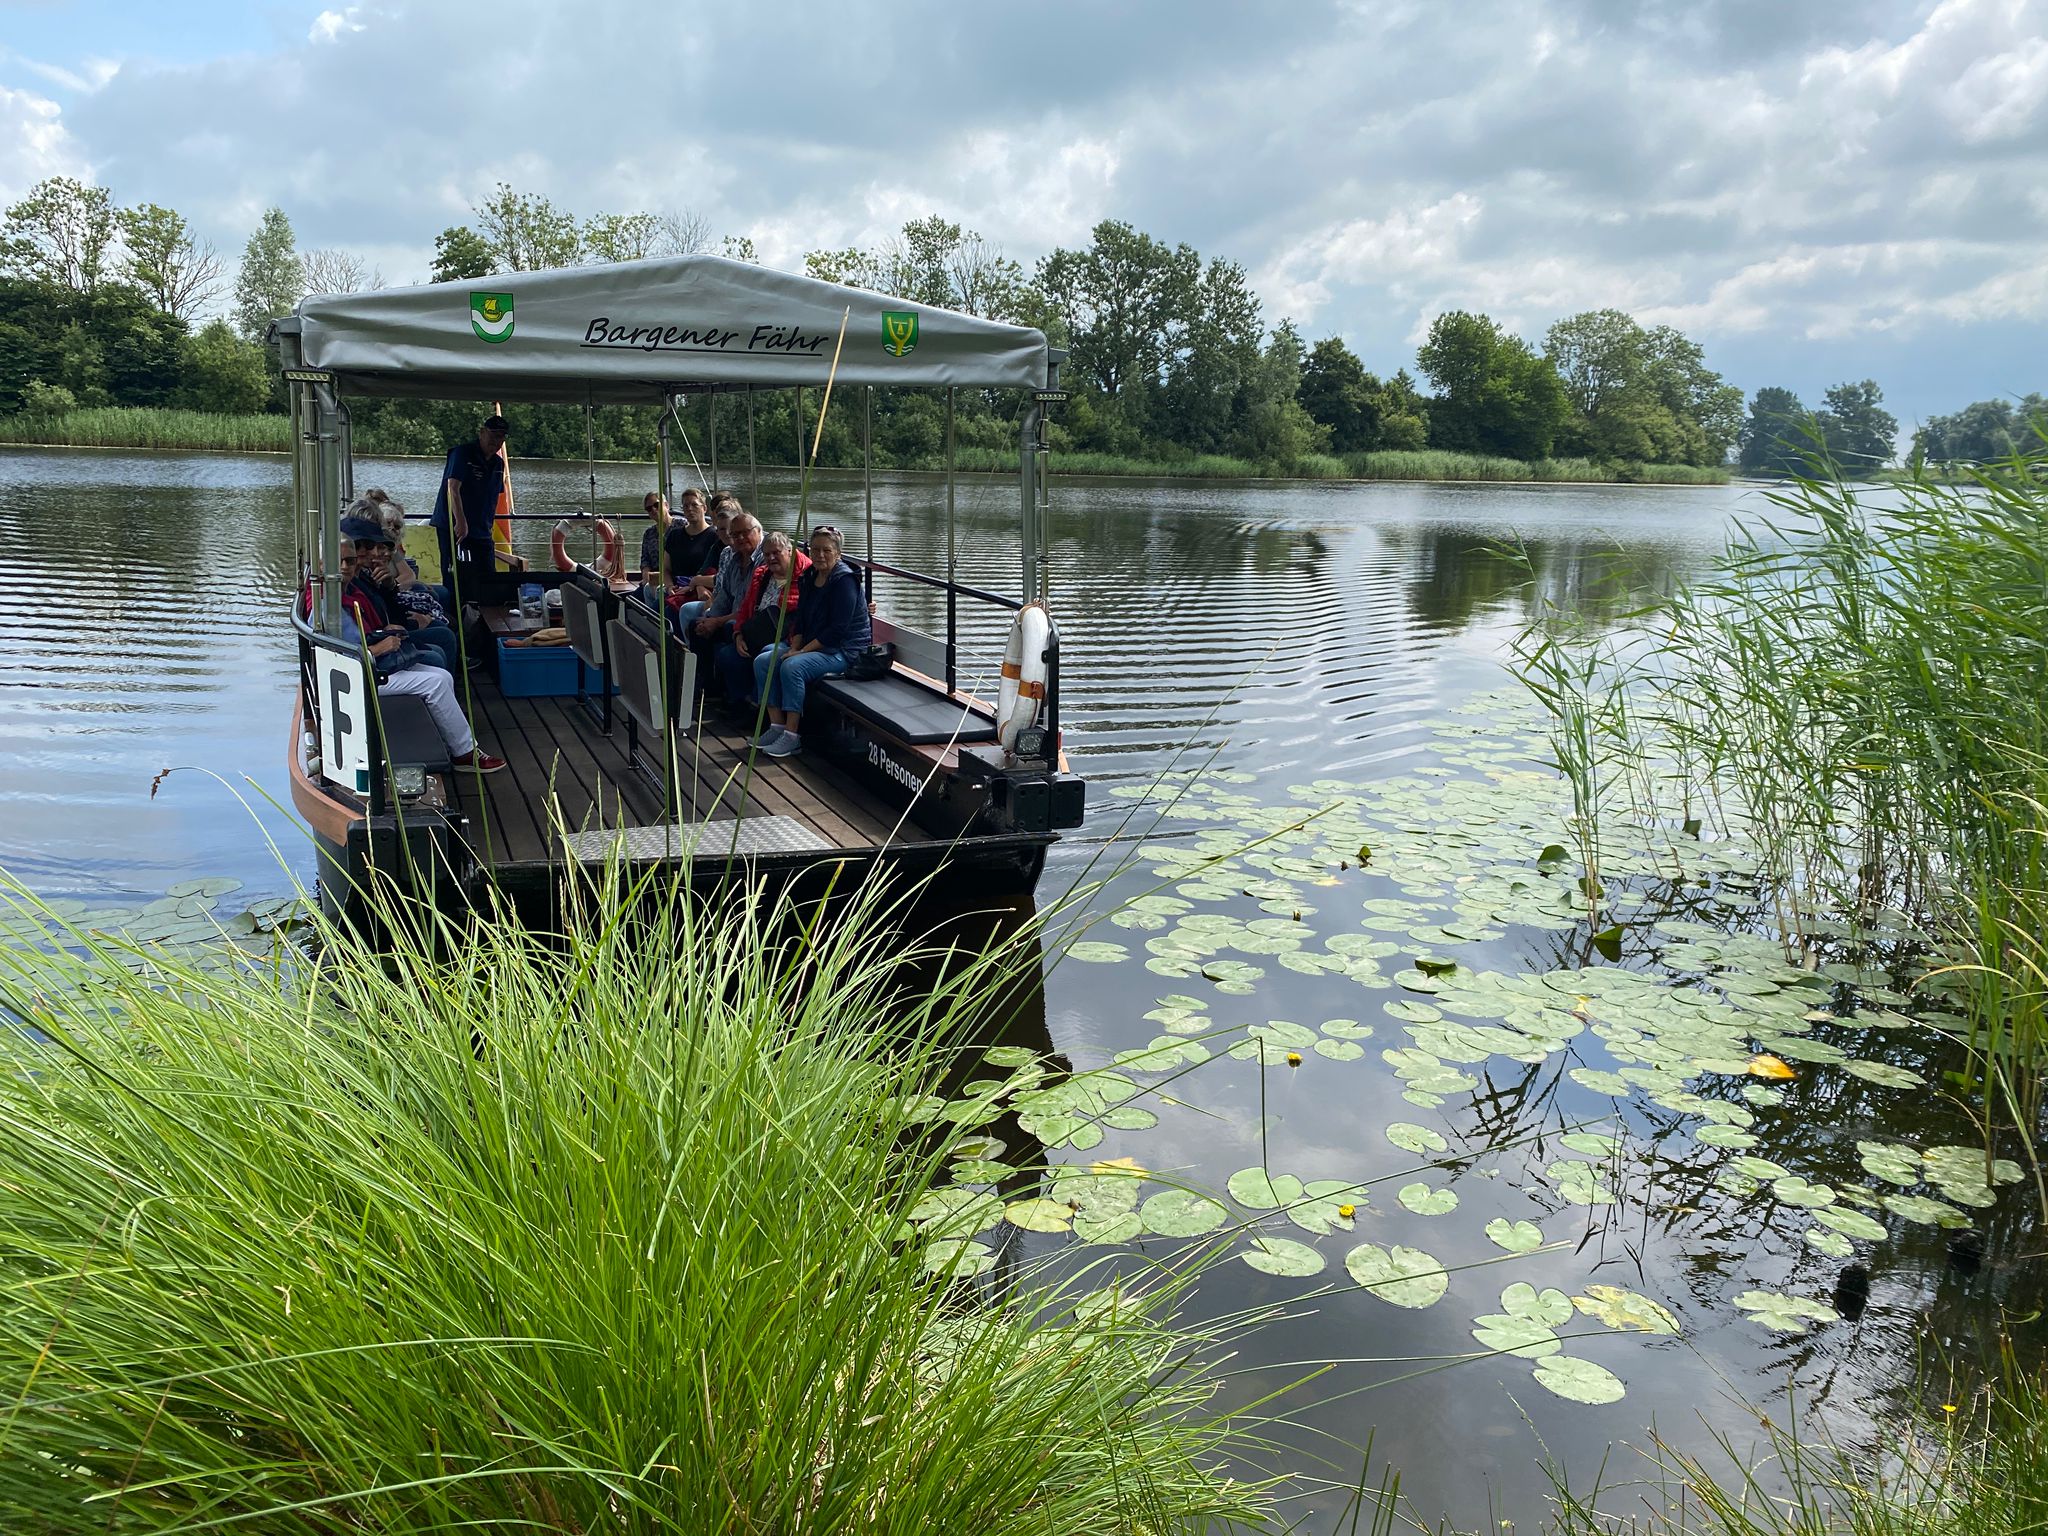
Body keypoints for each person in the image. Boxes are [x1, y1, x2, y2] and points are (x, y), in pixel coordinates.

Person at [331, 544, 505, 774]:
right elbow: (337, 656)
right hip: (357, 677)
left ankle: (453, 741)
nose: (345, 567)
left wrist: (383, 631)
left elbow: (363, 633)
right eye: (339, 561)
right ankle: (465, 753)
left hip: (373, 666)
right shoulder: (328, 607)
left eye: (350, 561)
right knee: (435, 682)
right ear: (323, 565)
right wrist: (379, 648)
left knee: (442, 675)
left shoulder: (349, 592)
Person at [752, 525, 872, 758]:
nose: (820, 555)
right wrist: (795, 646)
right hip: (813, 643)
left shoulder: (844, 581)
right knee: (763, 661)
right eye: (815, 549)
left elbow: (837, 630)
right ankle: (776, 726)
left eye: (826, 550)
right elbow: (801, 619)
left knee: (792, 666)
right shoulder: (809, 576)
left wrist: (800, 653)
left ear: (838, 553)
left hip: (842, 650)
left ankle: (792, 736)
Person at [342, 515, 458, 674]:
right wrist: (403, 626)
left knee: (443, 632)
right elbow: (368, 626)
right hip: (380, 644)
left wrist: (390, 586)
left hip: (390, 632)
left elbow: (386, 610)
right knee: (437, 652)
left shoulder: (365, 576)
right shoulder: (349, 583)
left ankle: (449, 683)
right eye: (369, 546)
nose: (375, 553)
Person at [430, 414, 528, 584]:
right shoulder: (461, 454)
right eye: (493, 435)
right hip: (454, 527)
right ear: (482, 433)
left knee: (488, 574)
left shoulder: (498, 463)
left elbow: (493, 498)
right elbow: (452, 488)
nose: (496, 441)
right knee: (456, 575)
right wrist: (461, 521)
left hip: (482, 530)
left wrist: (489, 526)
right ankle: (455, 600)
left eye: (501, 437)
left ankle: (487, 599)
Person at [715, 530, 808, 704]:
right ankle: (739, 702)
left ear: (789, 551)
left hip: (788, 637)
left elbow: (804, 617)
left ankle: (760, 705)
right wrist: (739, 634)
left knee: (766, 655)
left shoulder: (806, 576)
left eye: (776, 553)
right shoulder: (762, 574)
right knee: (727, 654)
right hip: (759, 631)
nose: (771, 558)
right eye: (767, 554)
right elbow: (745, 608)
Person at [682, 509, 762, 658]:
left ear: (758, 531)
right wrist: (709, 619)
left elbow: (752, 608)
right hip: (732, 616)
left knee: (727, 639)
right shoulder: (735, 560)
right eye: (735, 535)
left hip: (751, 621)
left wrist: (717, 621)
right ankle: (699, 671)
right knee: (697, 626)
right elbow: (724, 596)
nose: (741, 538)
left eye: (745, 532)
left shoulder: (763, 561)